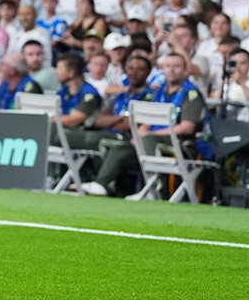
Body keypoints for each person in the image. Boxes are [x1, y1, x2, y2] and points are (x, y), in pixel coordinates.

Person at [84, 52, 207, 199]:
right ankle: (103, 185)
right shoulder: (159, 92)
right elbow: (148, 122)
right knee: (121, 147)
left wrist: (151, 134)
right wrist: (139, 134)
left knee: (148, 140)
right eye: (168, 66)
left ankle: (154, 191)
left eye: (176, 66)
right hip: (152, 139)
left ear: (186, 70)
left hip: (180, 143)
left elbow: (187, 127)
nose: (171, 70)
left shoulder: (191, 93)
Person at [80, 54, 156, 196]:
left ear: (148, 72)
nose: (134, 72)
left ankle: (102, 184)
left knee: (93, 139)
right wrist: (122, 117)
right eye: (131, 68)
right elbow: (99, 120)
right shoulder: (122, 94)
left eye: (140, 69)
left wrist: (115, 121)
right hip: (111, 133)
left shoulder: (151, 96)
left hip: (130, 139)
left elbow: (131, 125)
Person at [54, 52, 107, 150]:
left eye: (59, 68)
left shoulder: (89, 94)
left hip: (85, 141)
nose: (55, 71)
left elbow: (73, 120)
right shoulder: (63, 91)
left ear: (71, 73)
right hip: (66, 136)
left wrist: (47, 119)